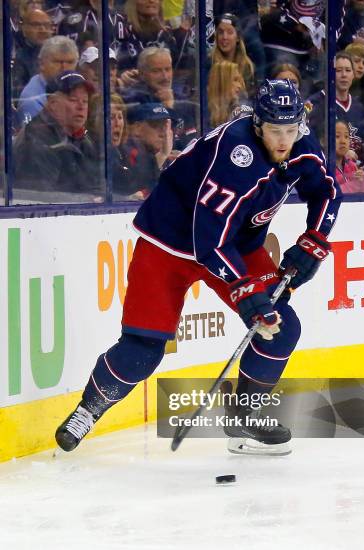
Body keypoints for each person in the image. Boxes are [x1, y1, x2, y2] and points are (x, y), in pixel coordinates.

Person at [55, 79, 342, 456]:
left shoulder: (299, 142)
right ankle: (87, 411)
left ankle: (244, 415)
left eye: (291, 130)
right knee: (143, 348)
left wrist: (314, 241)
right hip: (170, 244)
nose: (284, 141)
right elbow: (208, 241)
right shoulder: (237, 156)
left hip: (235, 242)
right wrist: (246, 293)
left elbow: (328, 190)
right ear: (258, 124)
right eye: (275, 131)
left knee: (281, 327)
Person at [13, 70, 99, 194]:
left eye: (85, 101)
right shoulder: (37, 139)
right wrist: (89, 199)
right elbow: (41, 198)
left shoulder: (84, 139)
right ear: (53, 104)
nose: (81, 106)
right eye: (73, 100)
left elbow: (96, 183)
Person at [122, 47, 198, 149]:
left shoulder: (183, 101)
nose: (165, 76)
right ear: (142, 74)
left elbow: (194, 139)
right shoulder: (134, 101)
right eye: (156, 71)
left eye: (168, 69)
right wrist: (169, 109)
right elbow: (158, 144)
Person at [17, 35, 79, 125]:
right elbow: (38, 137)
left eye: (70, 62)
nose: (64, 68)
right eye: (57, 62)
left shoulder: (74, 88)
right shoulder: (32, 101)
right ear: (41, 63)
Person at [211, 13, 255, 98]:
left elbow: (250, 99)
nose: (224, 37)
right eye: (220, 32)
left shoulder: (248, 67)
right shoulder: (209, 62)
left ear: (238, 37)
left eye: (230, 32)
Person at [12, 8, 53, 99]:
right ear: (24, 29)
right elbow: (18, 96)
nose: (42, 30)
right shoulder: (20, 58)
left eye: (46, 25)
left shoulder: (59, 54)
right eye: (36, 25)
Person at [207, 61, 248, 127]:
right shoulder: (200, 113)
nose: (239, 85)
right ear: (221, 82)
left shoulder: (239, 111)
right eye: (235, 80)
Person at [336, 120, 364, 193]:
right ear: (323, 141)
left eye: (346, 136)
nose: (343, 141)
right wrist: (354, 183)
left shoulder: (352, 165)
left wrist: (362, 180)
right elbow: (331, 192)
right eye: (337, 136)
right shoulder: (321, 167)